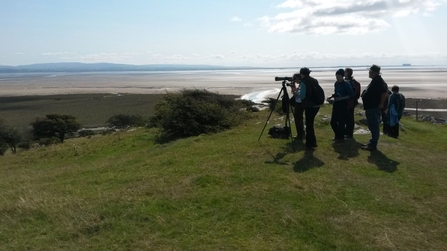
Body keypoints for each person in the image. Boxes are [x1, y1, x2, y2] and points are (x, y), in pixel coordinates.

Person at [360, 64, 389, 151]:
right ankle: (372, 142)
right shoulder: (375, 80)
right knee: (372, 125)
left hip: (374, 107)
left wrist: (381, 103)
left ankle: (373, 144)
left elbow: (385, 92)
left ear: (374, 72)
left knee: (374, 125)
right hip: (370, 106)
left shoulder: (378, 81)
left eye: (370, 71)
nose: (369, 73)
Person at [327, 69, 354, 142]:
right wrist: (332, 97)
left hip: (343, 104)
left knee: (342, 122)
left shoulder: (346, 84)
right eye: (336, 76)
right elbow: (336, 93)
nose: (337, 78)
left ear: (342, 76)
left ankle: (340, 137)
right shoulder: (336, 83)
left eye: (338, 76)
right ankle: (338, 135)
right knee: (333, 121)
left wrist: (342, 98)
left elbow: (351, 95)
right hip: (336, 103)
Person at [299, 67, 321, 149]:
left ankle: (310, 142)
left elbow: (302, 95)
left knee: (309, 124)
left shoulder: (304, 82)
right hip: (317, 104)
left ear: (302, 74)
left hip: (310, 105)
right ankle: (312, 141)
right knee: (310, 123)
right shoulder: (314, 80)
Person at [344, 67, 361, 138]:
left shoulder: (351, 82)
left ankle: (349, 133)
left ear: (347, 73)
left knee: (349, 118)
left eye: (345, 72)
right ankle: (347, 132)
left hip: (349, 102)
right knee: (348, 117)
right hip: (351, 102)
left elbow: (355, 94)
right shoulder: (355, 82)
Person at [289, 73, 305, 140]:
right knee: (299, 119)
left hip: (300, 103)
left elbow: (296, 94)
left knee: (298, 119)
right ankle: (301, 133)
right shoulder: (301, 84)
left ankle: (300, 134)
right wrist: (294, 87)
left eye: (295, 79)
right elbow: (296, 93)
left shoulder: (302, 84)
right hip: (299, 103)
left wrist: (292, 87)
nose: (295, 81)